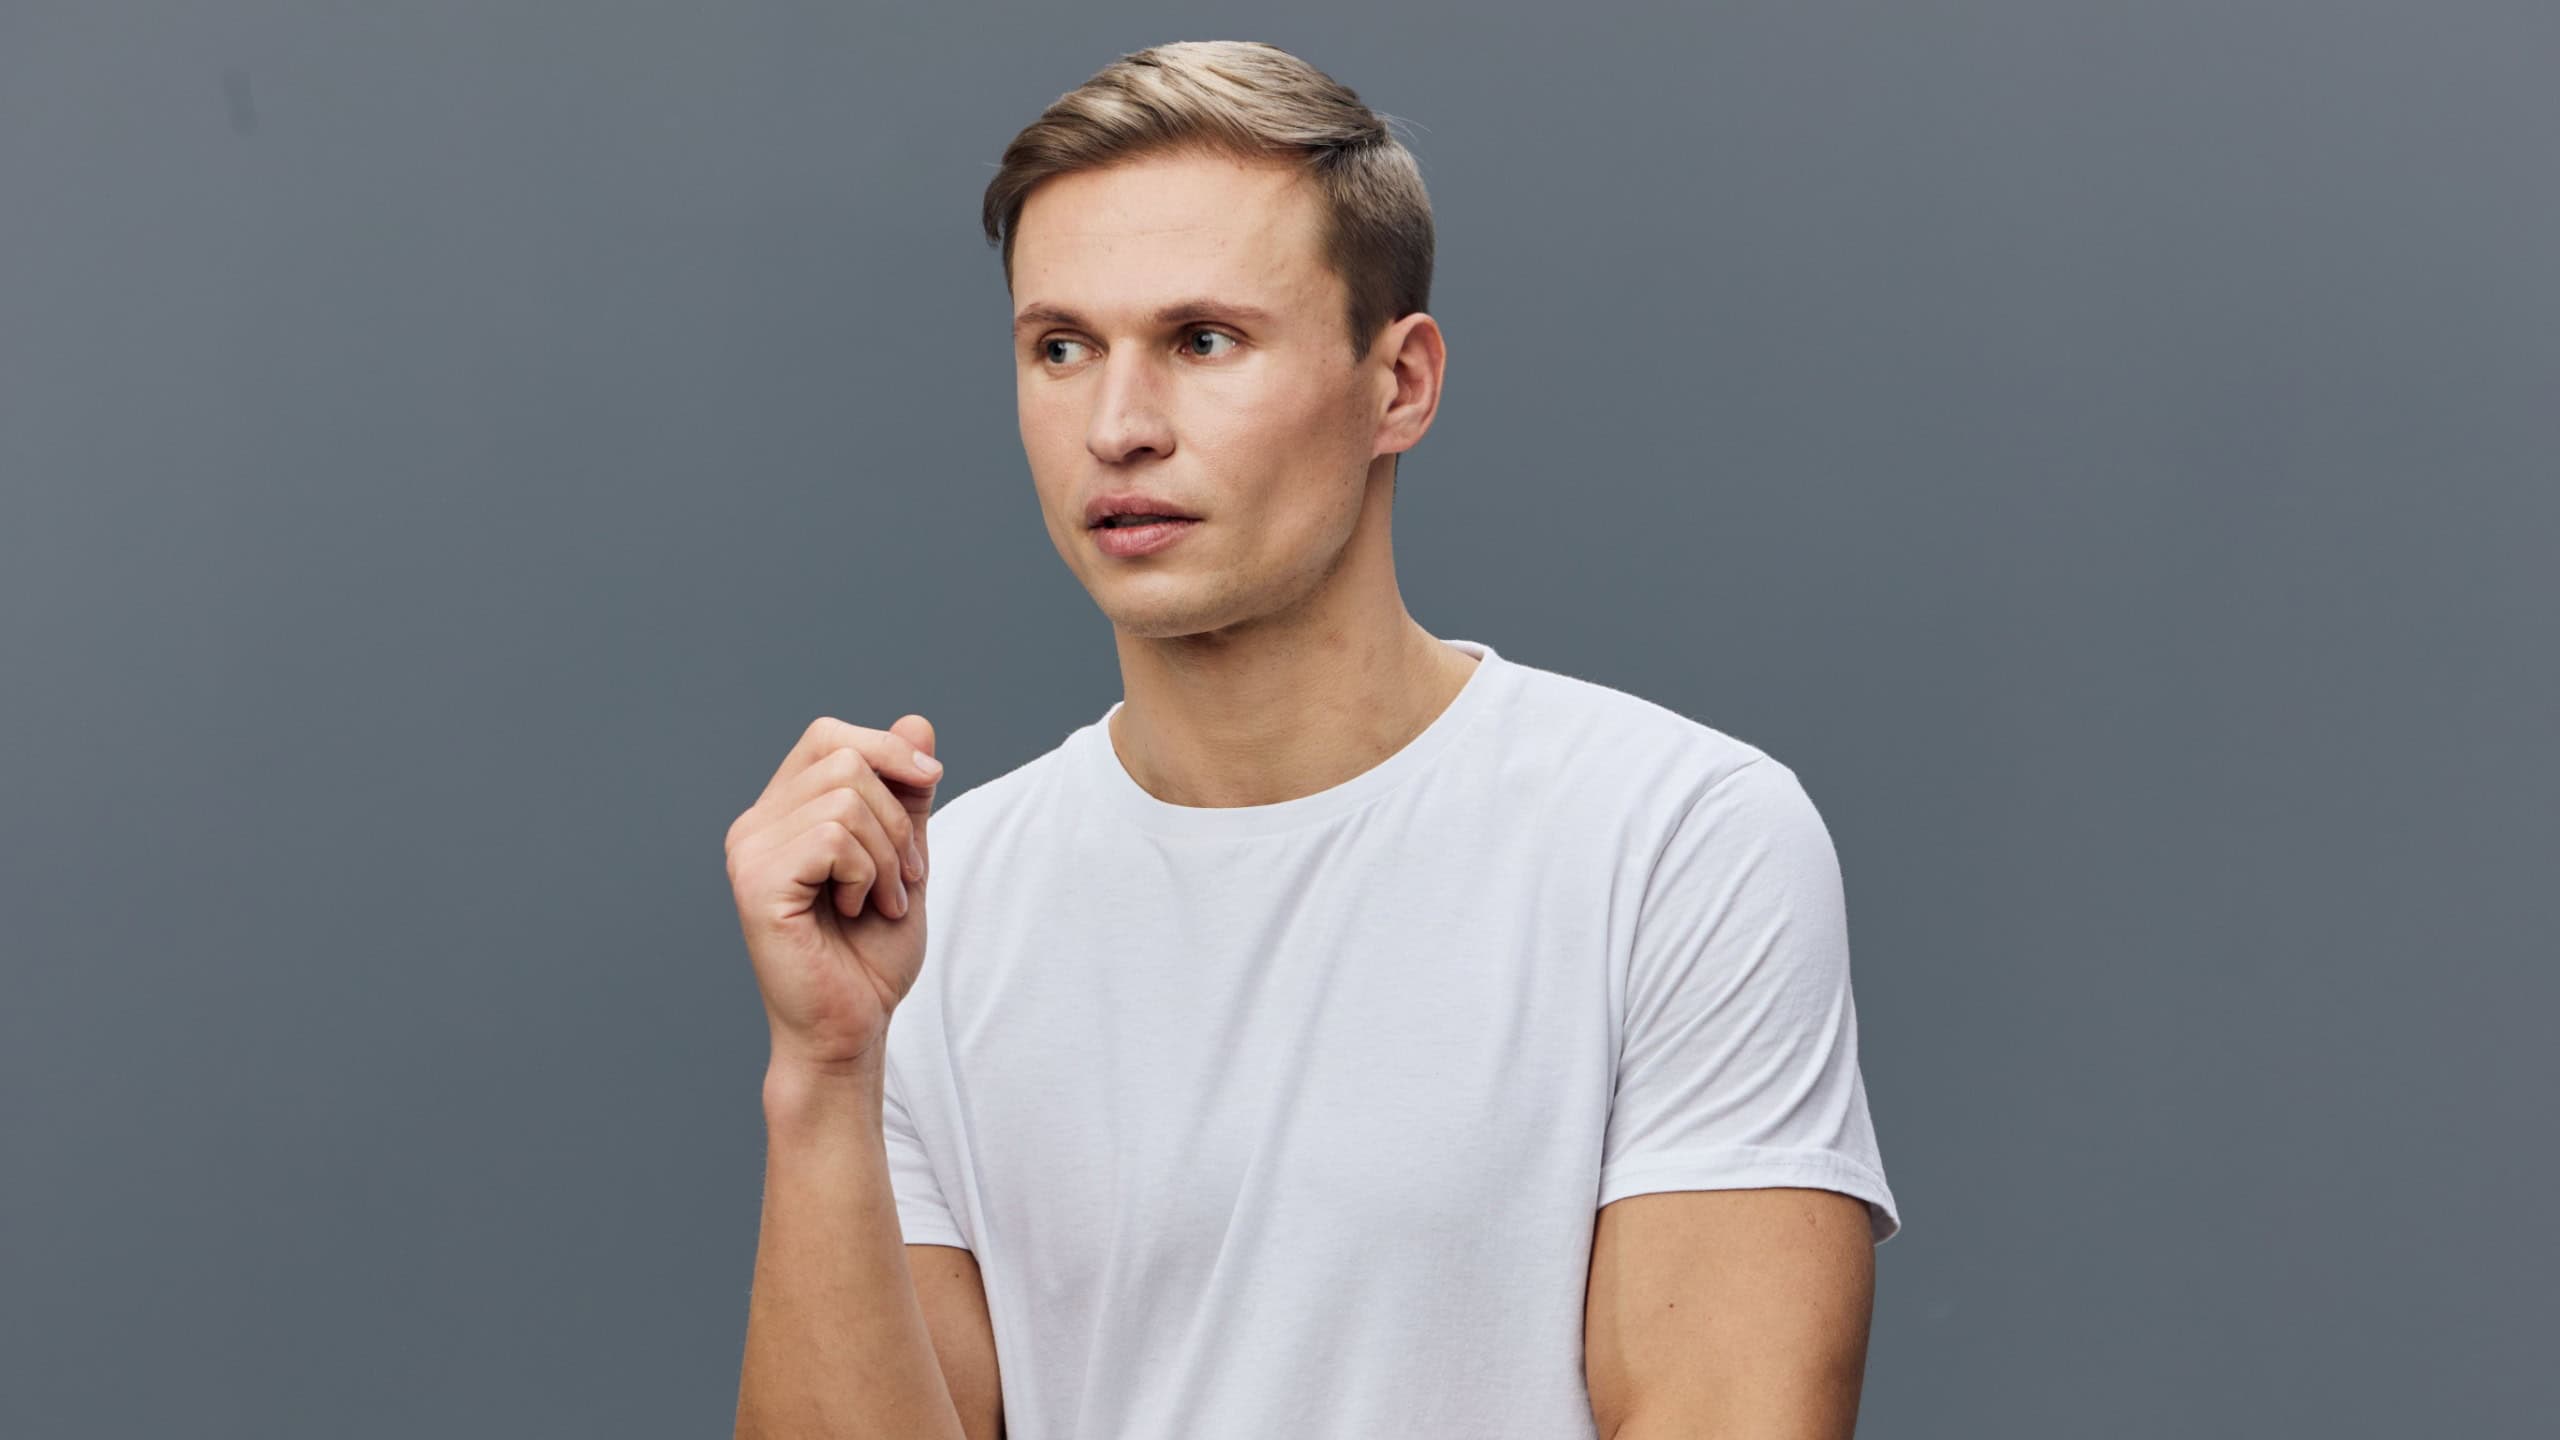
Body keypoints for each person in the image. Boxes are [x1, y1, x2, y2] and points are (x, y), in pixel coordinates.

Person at [727, 40, 1900, 1440]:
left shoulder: (1672, 838)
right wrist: (826, 1079)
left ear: (1399, 383)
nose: (1117, 426)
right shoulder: (940, 900)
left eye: (1203, 341)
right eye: (1062, 349)